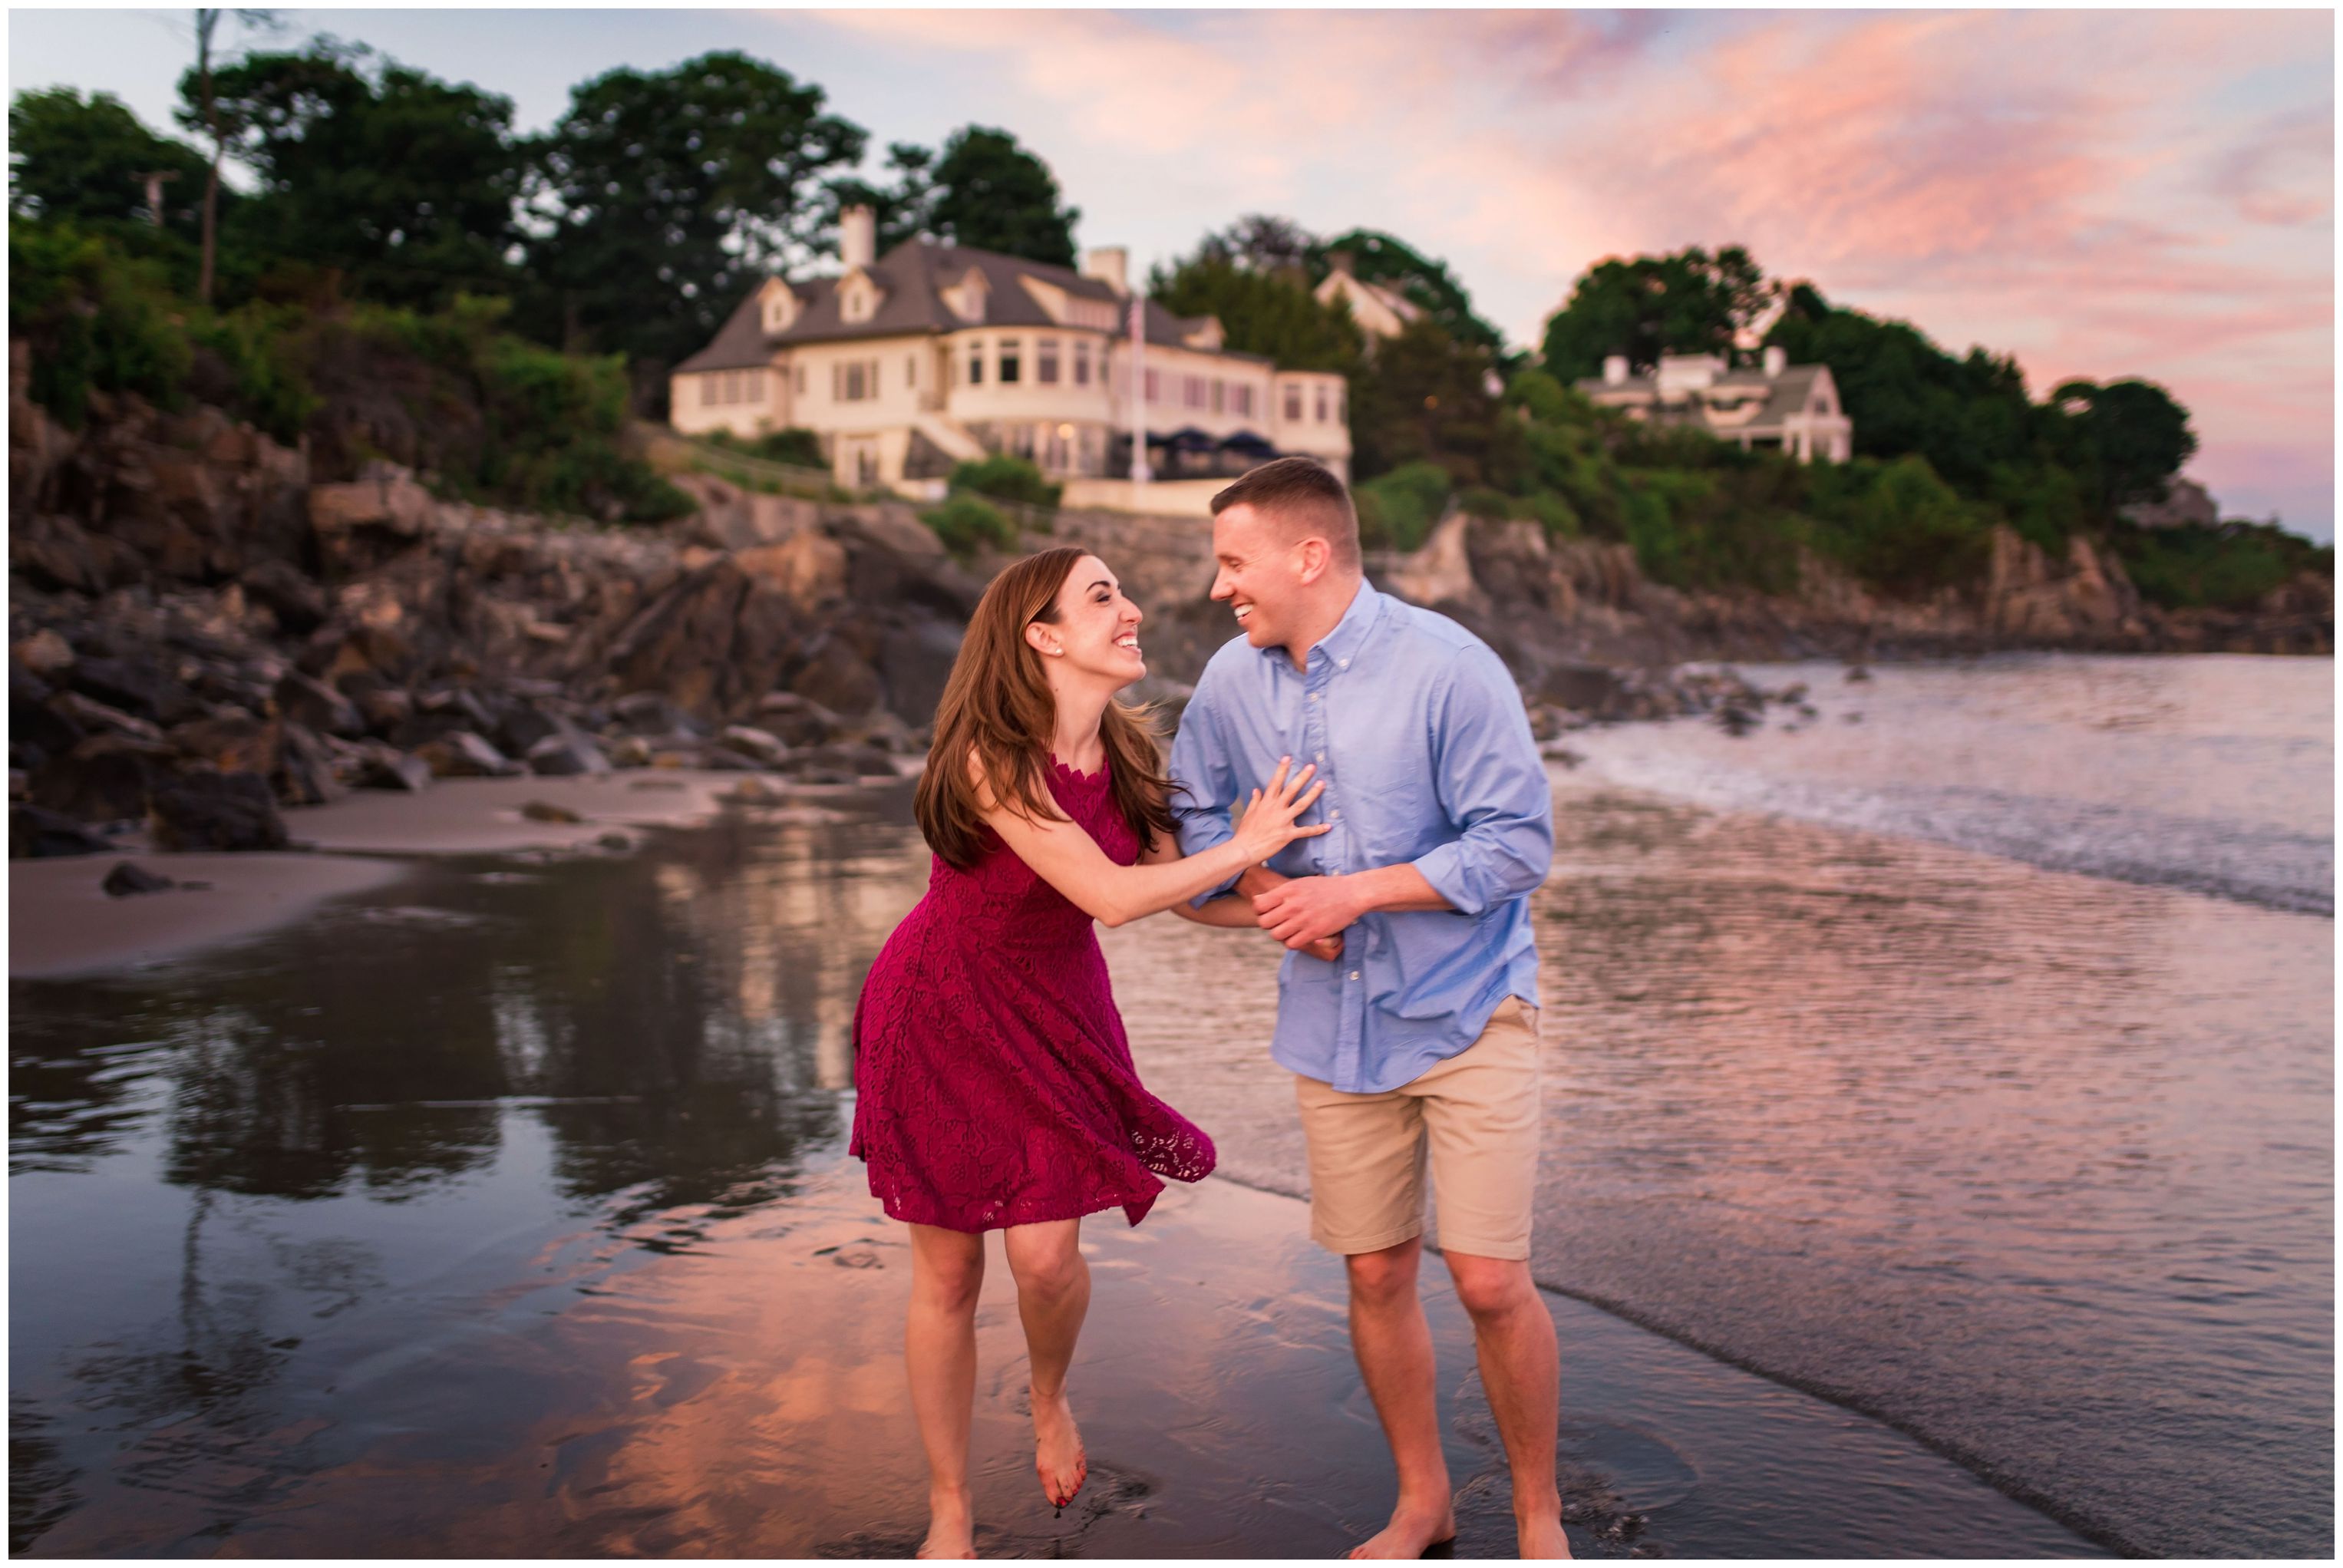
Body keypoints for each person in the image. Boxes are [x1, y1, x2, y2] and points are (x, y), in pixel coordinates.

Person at [850, 545, 1331, 1560]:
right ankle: (948, 1509)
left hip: (1054, 1009)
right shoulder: (988, 757)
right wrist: (1247, 844)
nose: (1133, 611)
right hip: (940, 1008)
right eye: (1103, 596)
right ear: (1041, 635)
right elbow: (1109, 897)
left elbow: (1183, 895)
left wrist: (1291, 914)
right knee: (945, 1278)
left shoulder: (1125, 757)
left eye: (1122, 592)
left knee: (1047, 1255)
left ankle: (1048, 1394)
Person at [1168, 457, 1568, 1560]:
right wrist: (1268, 891)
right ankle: (1423, 1504)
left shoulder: (1449, 666)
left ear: (1309, 555)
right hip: (1329, 1026)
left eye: (1233, 564)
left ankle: (1538, 1518)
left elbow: (1517, 844)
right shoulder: (1228, 682)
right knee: (1377, 1269)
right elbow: (1191, 822)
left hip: (1470, 1009)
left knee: (1487, 1280)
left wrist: (1355, 889)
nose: (1220, 590)